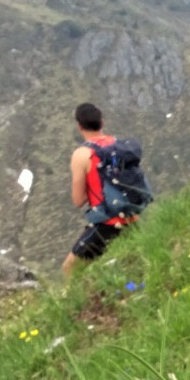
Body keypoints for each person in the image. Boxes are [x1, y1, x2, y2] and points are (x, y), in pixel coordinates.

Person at [63, 102, 133, 277]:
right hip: (131, 218)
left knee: (70, 268)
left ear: (79, 126)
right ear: (102, 123)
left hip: (106, 224)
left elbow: (78, 201)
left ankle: (77, 302)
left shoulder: (81, 155)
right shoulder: (120, 145)